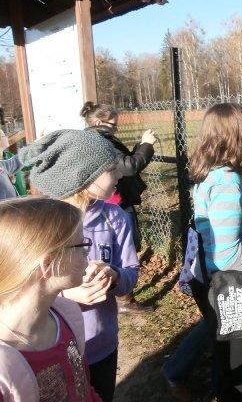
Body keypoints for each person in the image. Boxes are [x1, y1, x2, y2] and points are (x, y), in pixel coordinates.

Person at [164, 103, 242, 402]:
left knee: (226, 355)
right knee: (239, 372)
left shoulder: (215, 176)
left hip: (220, 283)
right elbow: (228, 256)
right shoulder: (229, 184)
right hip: (234, 285)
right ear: (240, 137)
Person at [19, 129, 140, 402]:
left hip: (102, 345)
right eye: (111, 167)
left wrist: (114, 276)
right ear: (82, 177)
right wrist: (64, 296)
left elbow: (131, 274)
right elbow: (19, 288)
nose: (120, 173)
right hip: (53, 350)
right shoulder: (42, 225)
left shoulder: (115, 218)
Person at [0, 197, 101, 401]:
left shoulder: (67, 316)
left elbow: (83, 386)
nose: (87, 254)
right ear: (48, 264)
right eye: (81, 245)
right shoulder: (4, 370)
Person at [81, 101, 156, 313]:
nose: (115, 129)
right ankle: (124, 299)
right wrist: (146, 145)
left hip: (115, 201)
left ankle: (121, 293)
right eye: (113, 125)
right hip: (115, 203)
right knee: (125, 248)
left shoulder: (99, 139)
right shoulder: (100, 142)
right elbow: (129, 166)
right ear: (98, 122)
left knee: (124, 246)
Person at [0, 130, 23, 201]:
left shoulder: (8, 157)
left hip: (16, 203)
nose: (7, 137)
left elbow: (19, 161)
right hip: (5, 209)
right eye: (4, 135)